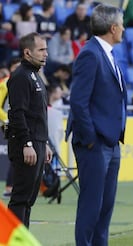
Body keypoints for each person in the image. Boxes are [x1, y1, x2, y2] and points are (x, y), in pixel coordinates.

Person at [65, 4, 127, 245]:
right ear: (113, 28)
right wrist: (91, 138)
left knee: (105, 208)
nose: (124, 28)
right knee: (92, 206)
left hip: (111, 142)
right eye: (121, 24)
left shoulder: (107, 54)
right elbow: (78, 102)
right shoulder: (90, 54)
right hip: (95, 143)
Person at [7, 32, 53, 228]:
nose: (46, 54)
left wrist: (45, 142)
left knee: (28, 199)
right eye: (41, 50)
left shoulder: (35, 74)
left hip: (38, 142)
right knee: (20, 198)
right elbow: (17, 113)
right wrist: (27, 143)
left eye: (46, 49)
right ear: (27, 52)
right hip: (27, 145)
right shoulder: (20, 76)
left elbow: (38, 114)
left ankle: (21, 240)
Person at [0, 57, 21, 198]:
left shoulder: (21, 82)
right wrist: (7, 120)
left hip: (17, 123)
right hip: (8, 124)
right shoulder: (5, 83)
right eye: (15, 67)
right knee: (16, 155)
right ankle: (9, 188)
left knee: (18, 156)